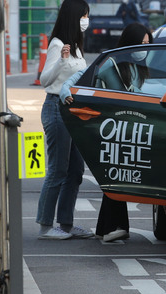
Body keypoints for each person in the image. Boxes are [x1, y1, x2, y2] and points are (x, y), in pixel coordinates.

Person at [61, 23, 153, 242]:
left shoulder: (136, 67)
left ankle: (107, 227)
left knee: (118, 173)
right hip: (106, 127)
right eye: (142, 44)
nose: (145, 49)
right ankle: (115, 226)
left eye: (148, 44)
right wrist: (65, 92)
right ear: (130, 43)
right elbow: (78, 78)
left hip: (127, 128)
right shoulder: (111, 61)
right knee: (118, 173)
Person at [36, 0, 93, 240]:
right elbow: (45, 80)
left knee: (75, 171)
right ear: (74, 17)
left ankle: (66, 223)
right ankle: (46, 226)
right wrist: (61, 62)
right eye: (84, 16)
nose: (87, 21)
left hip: (74, 113)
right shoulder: (59, 45)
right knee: (58, 170)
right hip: (56, 109)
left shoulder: (77, 46)